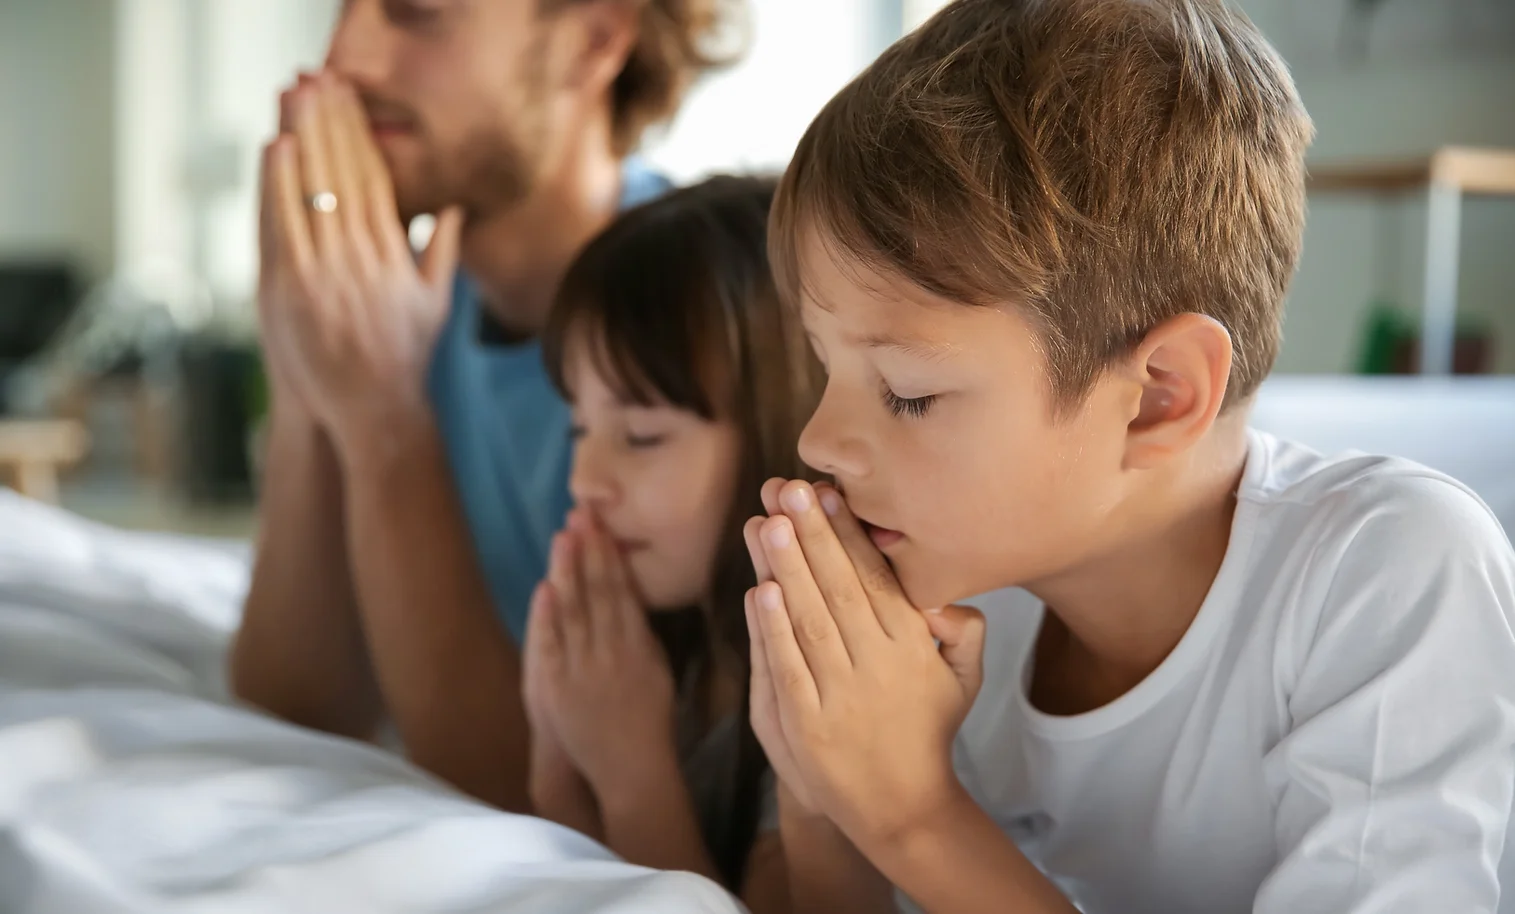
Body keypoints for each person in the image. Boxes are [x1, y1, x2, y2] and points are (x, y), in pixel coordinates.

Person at [737, 1, 1515, 912]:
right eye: (827, 368)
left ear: (1158, 397)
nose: (818, 441)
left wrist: (913, 817)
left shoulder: (1384, 570)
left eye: (908, 391)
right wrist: (826, 791)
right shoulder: (951, 590)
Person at [230, 0, 743, 813]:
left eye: (416, 14)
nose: (346, 58)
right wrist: (307, 349)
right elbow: (301, 705)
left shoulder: (708, 329)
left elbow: (541, 800)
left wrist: (385, 421)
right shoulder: (398, 300)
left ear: (594, 40)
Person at [524, 176, 818, 912]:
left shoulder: (817, 685)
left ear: (782, 430)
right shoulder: (666, 645)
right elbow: (570, 878)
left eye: (641, 436)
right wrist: (556, 740)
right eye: (579, 429)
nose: (585, 480)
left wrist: (631, 772)